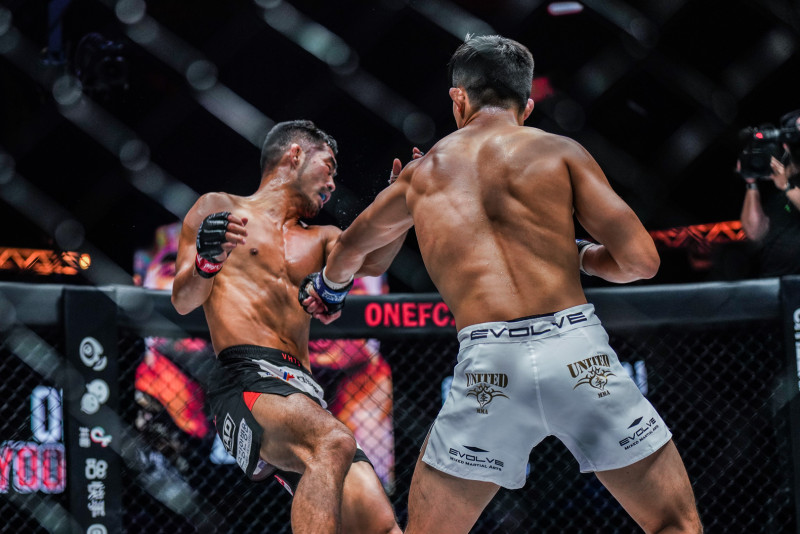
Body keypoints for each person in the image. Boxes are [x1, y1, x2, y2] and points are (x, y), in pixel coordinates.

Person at [301, 35, 703, 534]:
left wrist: (330, 289)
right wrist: (582, 256)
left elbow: (349, 254)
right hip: (579, 356)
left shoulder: (423, 175)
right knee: (675, 524)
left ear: (458, 99)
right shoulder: (560, 152)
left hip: (490, 368)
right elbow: (641, 262)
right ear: (527, 106)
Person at [171, 119, 406, 534]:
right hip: (246, 377)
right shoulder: (219, 207)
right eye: (328, 167)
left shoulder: (323, 238)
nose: (332, 183)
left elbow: (372, 258)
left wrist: (404, 201)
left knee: (381, 526)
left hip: (303, 392)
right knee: (332, 441)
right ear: (295, 155)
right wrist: (206, 262)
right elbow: (183, 300)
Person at [739, 110, 800, 277]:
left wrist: (786, 186)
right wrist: (751, 183)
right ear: (786, 144)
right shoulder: (774, 175)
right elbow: (754, 232)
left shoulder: (782, 181)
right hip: (776, 281)